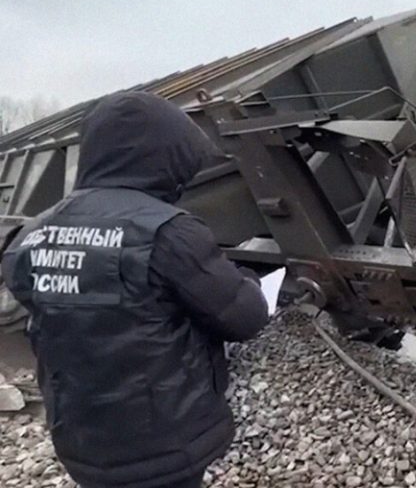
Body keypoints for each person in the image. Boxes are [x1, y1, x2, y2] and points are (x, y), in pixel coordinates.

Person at [1, 92, 270, 488]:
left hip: (81, 441)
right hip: (165, 444)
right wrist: (247, 279)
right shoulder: (168, 231)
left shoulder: (33, 231)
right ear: (164, 156)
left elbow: (41, 299)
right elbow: (244, 317)